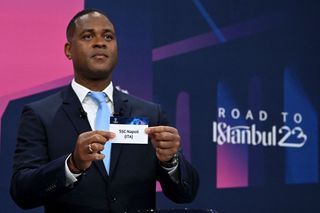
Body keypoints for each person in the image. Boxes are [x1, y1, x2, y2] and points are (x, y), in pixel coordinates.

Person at [10, 9, 199, 213]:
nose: (100, 42)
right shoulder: (40, 114)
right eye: (88, 36)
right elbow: (22, 191)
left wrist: (171, 161)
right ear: (68, 49)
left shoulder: (151, 113)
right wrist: (71, 166)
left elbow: (185, 194)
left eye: (108, 36)